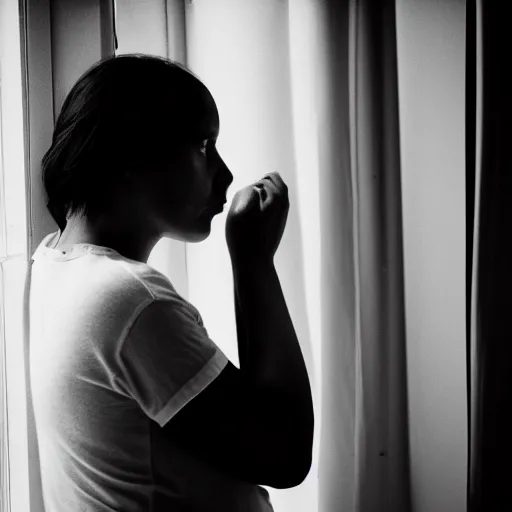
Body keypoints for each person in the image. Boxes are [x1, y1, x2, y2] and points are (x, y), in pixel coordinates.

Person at [29, 54, 314, 512]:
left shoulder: (52, 265)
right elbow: (286, 455)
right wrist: (254, 258)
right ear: (132, 154)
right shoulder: (130, 302)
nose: (225, 174)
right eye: (204, 146)